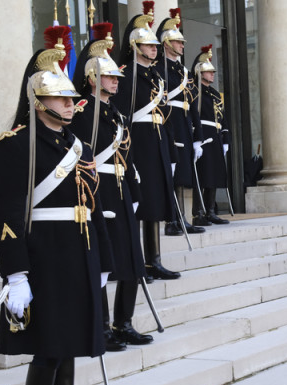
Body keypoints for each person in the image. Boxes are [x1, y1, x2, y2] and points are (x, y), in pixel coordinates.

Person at [0, 31, 113, 385]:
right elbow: (6, 215)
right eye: (61, 99)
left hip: (78, 251)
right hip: (44, 256)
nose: (70, 104)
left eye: (69, 98)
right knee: (48, 351)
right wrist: (15, 274)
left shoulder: (74, 144)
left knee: (72, 345)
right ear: (40, 103)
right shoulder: (15, 146)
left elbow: (89, 205)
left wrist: (103, 261)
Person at [70, 23, 154, 350]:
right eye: (109, 77)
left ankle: (125, 322)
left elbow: (127, 156)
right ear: (92, 78)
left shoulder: (116, 114)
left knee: (132, 259)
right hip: (99, 190)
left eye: (117, 77)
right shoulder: (81, 113)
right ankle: (102, 326)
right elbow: (80, 157)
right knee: (104, 261)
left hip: (121, 190)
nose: (116, 81)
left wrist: (134, 195)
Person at [111, 7, 181, 282]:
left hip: (158, 142)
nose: (154, 50)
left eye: (155, 46)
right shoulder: (125, 75)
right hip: (138, 144)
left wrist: (172, 151)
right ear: (135, 46)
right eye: (148, 46)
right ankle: (137, 262)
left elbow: (167, 115)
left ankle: (154, 260)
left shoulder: (156, 76)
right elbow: (121, 115)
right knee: (140, 203)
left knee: (154, 202)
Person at [156, 8, 206, 235]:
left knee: (183, 173)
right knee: (171, 174)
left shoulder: (183, 71)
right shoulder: (159, 68)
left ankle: (182, 218)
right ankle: (171, 221)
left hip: (184, 123)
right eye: (178, 42)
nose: (182, 45)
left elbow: (193, 102)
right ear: (166, 43)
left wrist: (198, 137)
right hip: (170, 122)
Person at [190, 45, 230, 226]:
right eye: (209, 72)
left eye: (213, 72)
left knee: (213, 174)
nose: (212, 74)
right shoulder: (194, 91)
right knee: (202, 174)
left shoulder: (214, 94)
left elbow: (222, 117)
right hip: (202, 135)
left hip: (214, 135)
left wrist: (225, 138)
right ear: (200, 72)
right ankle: (198, 212)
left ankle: (211, 210)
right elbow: (194, 116)